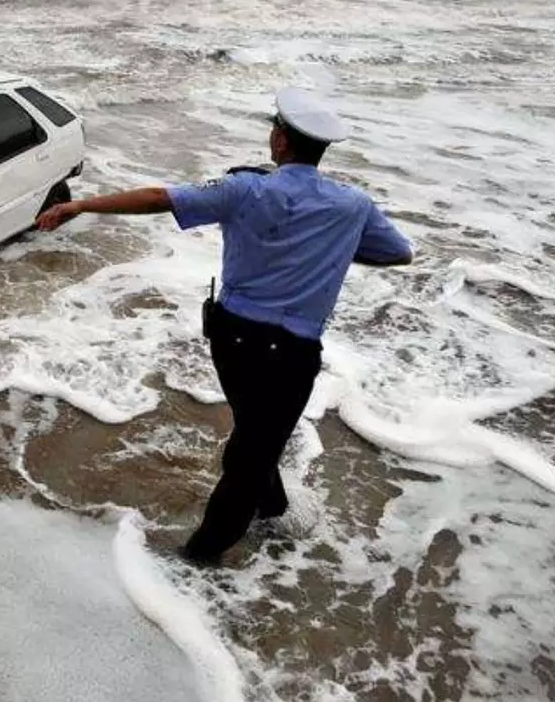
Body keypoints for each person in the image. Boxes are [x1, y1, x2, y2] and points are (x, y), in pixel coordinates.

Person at [36, 87, 414, 565]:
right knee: (253, 448)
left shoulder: (245, 189)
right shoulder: (352, 206)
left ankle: (235, 532)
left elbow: (160, 198)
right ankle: (213, 548)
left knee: (252, 438)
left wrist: (81, 206)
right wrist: (332, 249)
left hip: (232, 342)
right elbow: (400, 253)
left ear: (279, 142)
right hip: (292, 353)